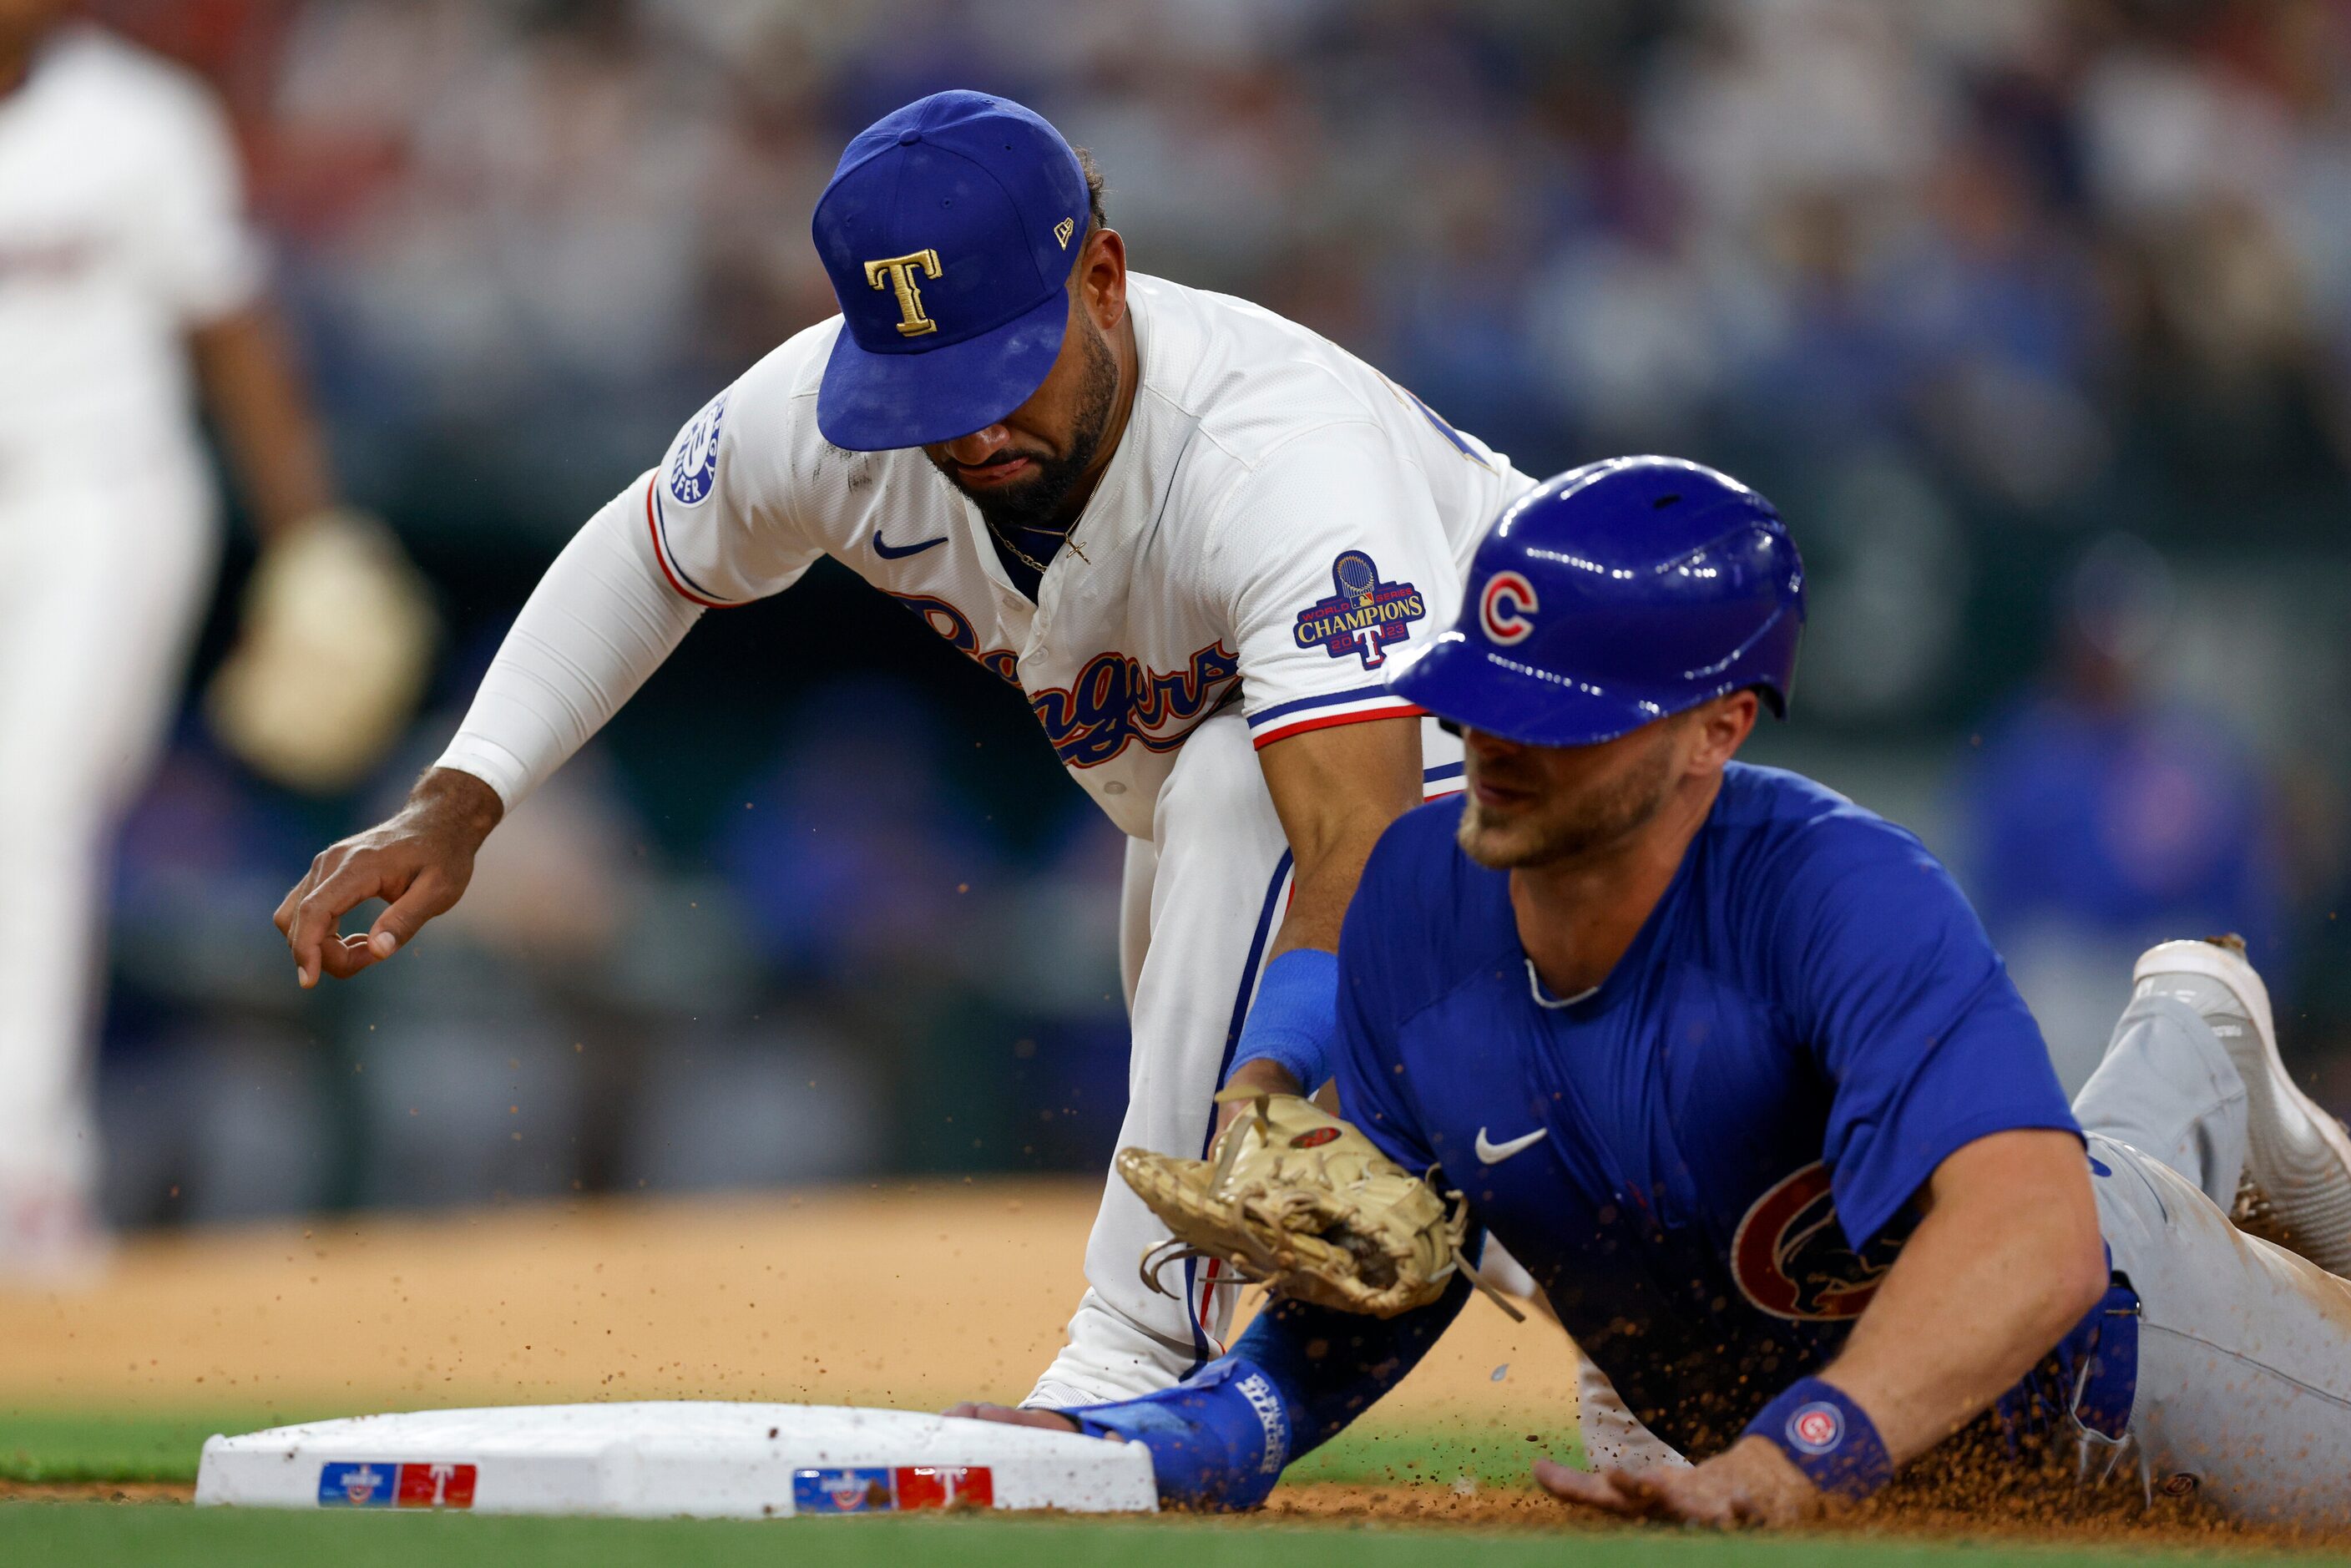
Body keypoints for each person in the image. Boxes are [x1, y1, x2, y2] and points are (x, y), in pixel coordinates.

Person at [272, 89, 1534, 1407]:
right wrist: (460, 798)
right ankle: (1635, 1338)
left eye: (999, 370)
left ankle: (1130, 1353)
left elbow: (1358, 833)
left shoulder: (1276, 459)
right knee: (1469, 1131)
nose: (972, 432)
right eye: (926, 389)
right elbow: (649, 549)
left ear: (1102, 276)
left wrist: (1270, 1080)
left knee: (1228, 800)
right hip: (1302, 817)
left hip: (1542, 789)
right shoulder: (836, 419)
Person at [956, 457, 2351, 1529]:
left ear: (1719, 727)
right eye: (1480, 687)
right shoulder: (1408, 905)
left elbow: (2038, 1245)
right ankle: (2195, 1035)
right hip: (1849, 1402)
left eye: (1559, 710)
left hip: (2115, 1367)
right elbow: (1383, 1284)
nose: (1495, 737)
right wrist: (1176, 1431)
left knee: (2101, 1205)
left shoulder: (1833, 889)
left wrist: (1796, 1456)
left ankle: (2193, 1039)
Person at [0, 0, 421, 1279]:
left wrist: (312, 539)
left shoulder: (136, 118)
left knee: (26, 808)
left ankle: (29, 1182)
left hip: (99, 499)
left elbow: (236, 337)